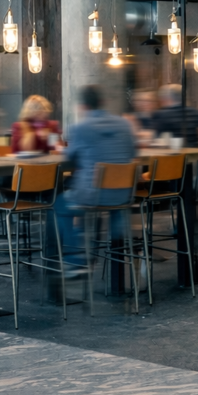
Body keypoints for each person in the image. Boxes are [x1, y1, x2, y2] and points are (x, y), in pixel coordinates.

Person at [54, 85, 136, 275]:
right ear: (103, 102)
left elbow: (69, 158)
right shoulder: (124, 124)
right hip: (124, 196)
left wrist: (62, 150)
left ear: (83, 106)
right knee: (87, 192)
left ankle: (75, 259)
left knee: (59, 203)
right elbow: (133, 154)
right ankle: (112, 228)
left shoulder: (80, 128)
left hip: (93, 197)